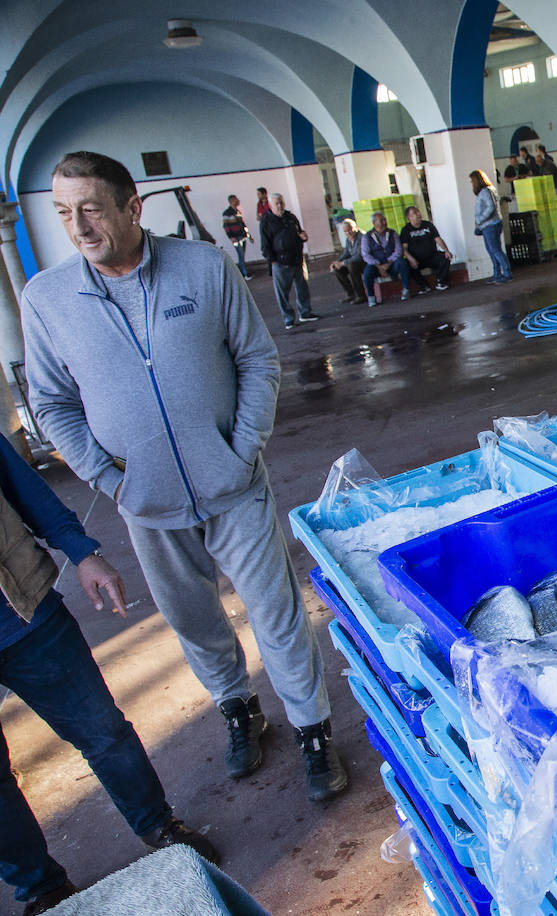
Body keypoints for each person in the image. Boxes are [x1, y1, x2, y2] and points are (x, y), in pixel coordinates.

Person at [21, 151, 349, 805]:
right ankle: (238, 710)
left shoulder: (202, 267)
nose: (79, 226)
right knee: (194, 622)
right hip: (145, 503)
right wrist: (107, 478)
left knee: (278, 616)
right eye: (63, 213)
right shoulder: (47, 299)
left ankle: (313, 731)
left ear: (131, 207)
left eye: (91, 208)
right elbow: (52, 403)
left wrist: (240, 446)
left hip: (235, 488)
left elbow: (257, 358)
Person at [0, 434, 219, 915]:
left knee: (103, 731)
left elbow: (25, 490)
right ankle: (41, 887)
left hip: (25, 613)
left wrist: (82, 552)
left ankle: (157, 826)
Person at [258, 193, 318, 329]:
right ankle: (288, 318)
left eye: (281, 203)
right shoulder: (266, 221)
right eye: (276, 204)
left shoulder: (290, 217)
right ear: (270, 205)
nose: (279, 206)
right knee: (282, 293)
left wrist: (303, 237)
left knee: (302, 287)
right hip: (280, 262)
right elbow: (265, 245)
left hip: (297, 258)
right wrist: (272, 261)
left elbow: (300, 232)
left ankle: (305, 313)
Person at [360, 211, 413, 306]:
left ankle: (406, 289)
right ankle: (371, 297)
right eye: (381, 220)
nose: (384, 222)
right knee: (367, 272)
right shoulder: (367, 237)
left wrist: (388, 262)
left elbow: (398, 251)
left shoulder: (392, 233)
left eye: (384, 220)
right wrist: (379, 266)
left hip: (391, 264)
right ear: (374, 223)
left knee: (402, 263)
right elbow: (366, 255)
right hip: (376, 265)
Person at [470, 170, 512, 285]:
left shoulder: (484, 192)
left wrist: (480, 220)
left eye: (472, 181)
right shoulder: (490, 190)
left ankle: (506, 274)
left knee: (495, 250)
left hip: (490, 225)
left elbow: (490, 207)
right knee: (493, 250)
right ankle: (497, 274)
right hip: (492, 224)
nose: (471, 183)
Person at [400, 206, 453, 293]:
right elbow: (404, 248)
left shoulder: (428, 225)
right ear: (409, 217)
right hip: (416, 259)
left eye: (418, 212)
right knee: (407, 265)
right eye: (414, 213)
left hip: (432, 256)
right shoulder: (406, 230)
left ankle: (441, 281)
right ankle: (423, 286)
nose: (418, 214)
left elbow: (438, 239)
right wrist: (411, 259)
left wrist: (446, 250)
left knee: (445, 257)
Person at [329, 218, 366, 305]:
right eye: (345, 231)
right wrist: (337, 262)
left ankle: (361, 295)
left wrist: (343, 263)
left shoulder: (363, 237)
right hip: (354, 262)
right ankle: (351, 294)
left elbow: (360, 256)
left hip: (365, 262)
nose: (348, 233)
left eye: (349, 230)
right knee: (337, 269)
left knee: (351, 266)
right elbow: (346, 254)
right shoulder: (348, 239)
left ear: (355, 228)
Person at [220, 194, 252, 279]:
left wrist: (249, 236)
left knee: (242, 255)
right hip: (235, 238)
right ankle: (245, 273)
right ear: (231, 201)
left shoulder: (238, 212)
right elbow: (226, 226)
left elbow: (243, 225)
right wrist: (231, 237)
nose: (238, 200)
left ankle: (243, 272)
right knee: (240, 255)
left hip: (242, 236)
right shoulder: (226, 213)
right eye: (236, 199)